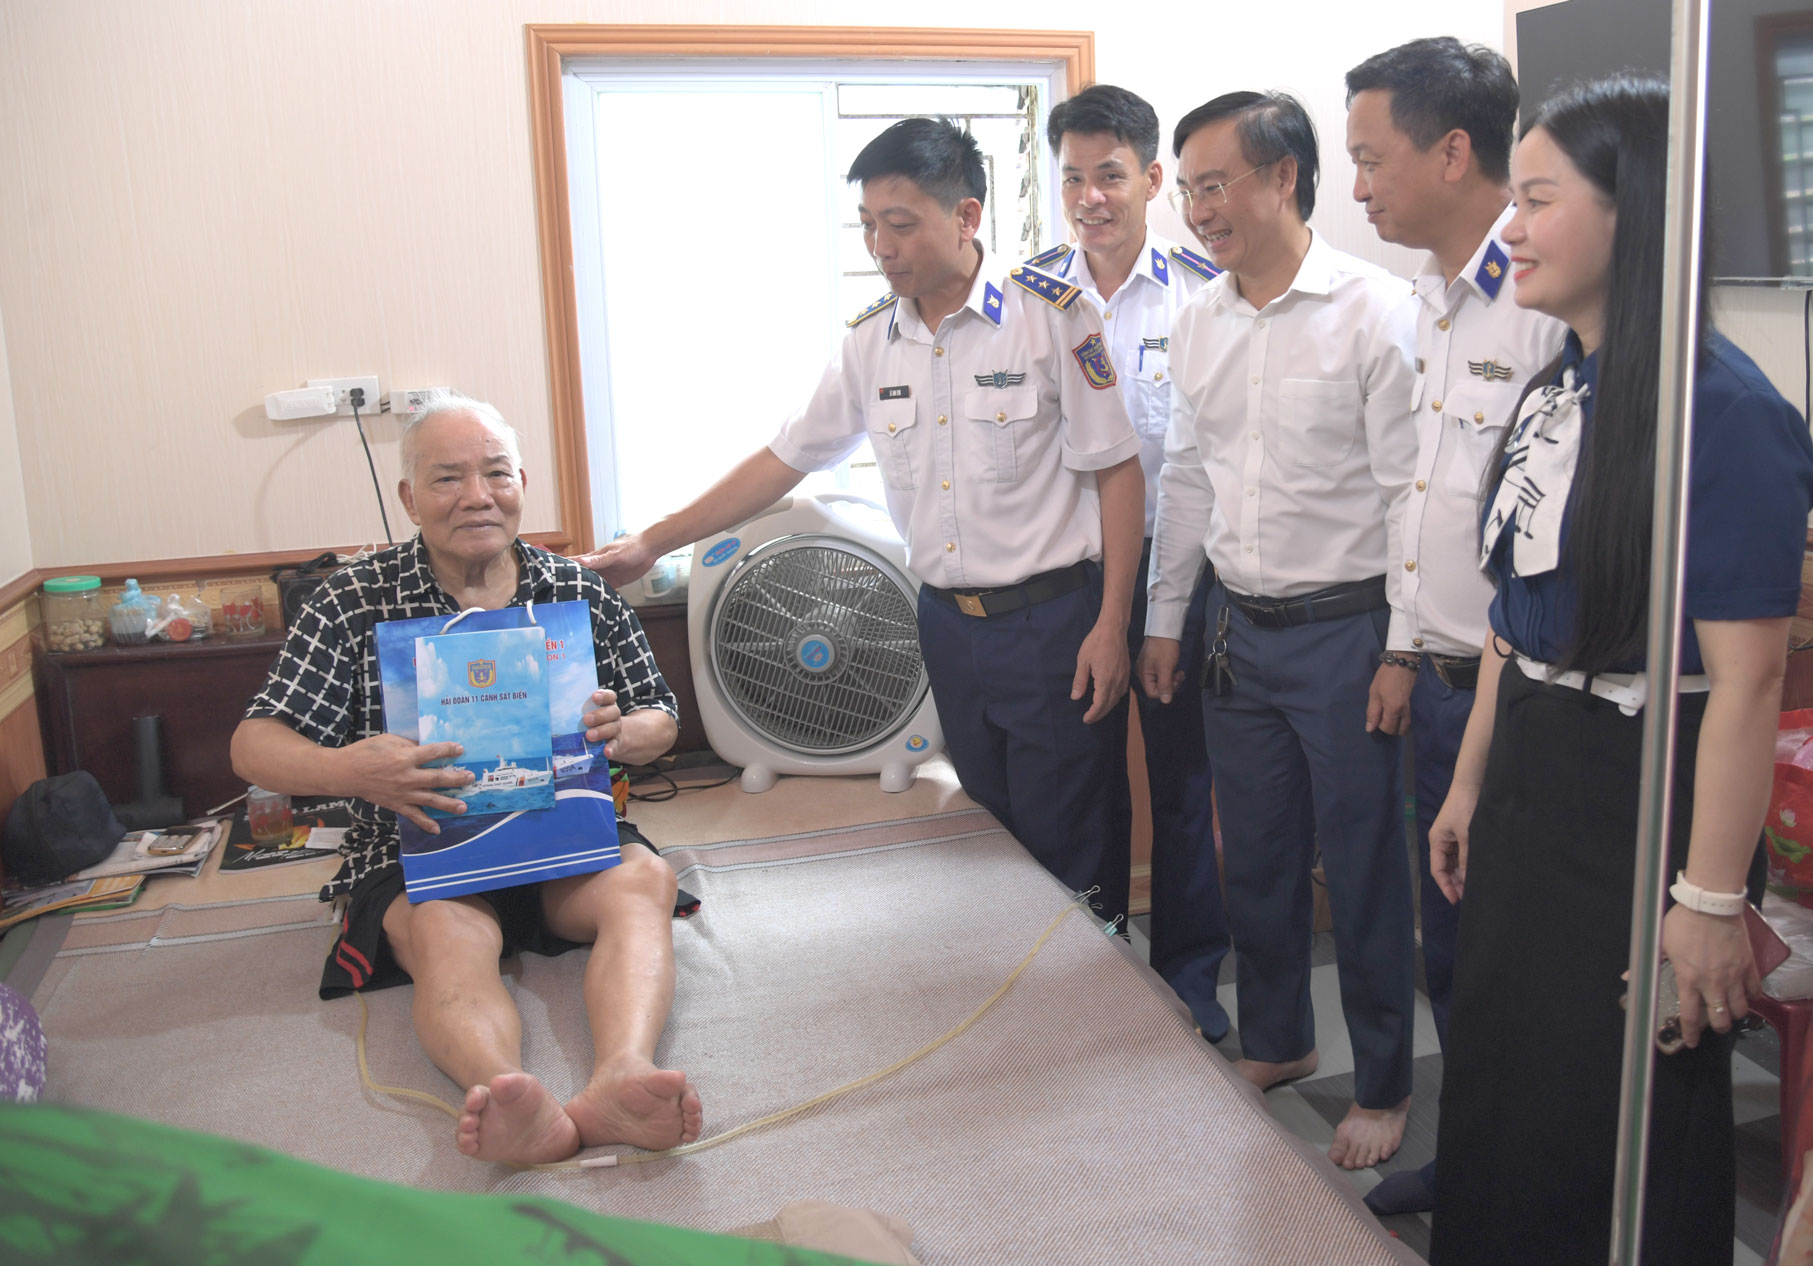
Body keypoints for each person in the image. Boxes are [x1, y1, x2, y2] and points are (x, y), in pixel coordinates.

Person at [1426, 76, 1813, 1266]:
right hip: (1529, 762)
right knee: (1501, 1063)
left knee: (1610, 1101)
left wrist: (1707, 903)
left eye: (1537, 199)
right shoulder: (1557, 383)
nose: (1510, 226)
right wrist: (1468, 784)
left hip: (1639, 788)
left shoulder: (1724, 414)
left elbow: (1746, 685)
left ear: (1633, 208)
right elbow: (1512, 617)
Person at [580, 118, 1145, 929]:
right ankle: (1023, 987)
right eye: (869, 225)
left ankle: (1102, 993)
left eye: (901, 224)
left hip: (1053, 623)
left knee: (1073, 834)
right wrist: (651, 542)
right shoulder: (871, 341)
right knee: (993, 831)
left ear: (967, 216)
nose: (882, 246)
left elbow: (1118, 472)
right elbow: (784, 459)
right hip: (947, 626)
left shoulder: (1053, 317)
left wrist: (1112, 624)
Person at [231, 392, 701, 1167]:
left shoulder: (578, 589)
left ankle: (623, 1075)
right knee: (449, 933)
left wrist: (625, 732)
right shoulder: (350, 599)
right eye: (448, 478)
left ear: (522, 483)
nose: (477, 496)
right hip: (419, 844)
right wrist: (349, 767)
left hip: (562, 831)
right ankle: (509, 1093)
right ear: (409, 497)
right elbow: (253, 744)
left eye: (495, 473)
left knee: (644, 880)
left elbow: (663, 717)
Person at [1138, 90, 1420, 1170]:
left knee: (1361, 864)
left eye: (1215, 184)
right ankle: (1278, 1039)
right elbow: (1186, 474)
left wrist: (1402, 647)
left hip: (1348, 632)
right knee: (1252, 856)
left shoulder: (1375, 310)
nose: (1198, 209)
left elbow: (1407, 495)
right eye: (1189, 188)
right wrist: (1166, 618)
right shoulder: (1199, 317)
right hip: (1233, 631)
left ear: (1285, 178)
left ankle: (1385, 1080)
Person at [1341, 37, 1565, 1216]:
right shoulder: (1427, 301)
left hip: (1516, 693)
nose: (1358, 188)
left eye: (1372, 160)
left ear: (1452, 151)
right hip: (1432, 678)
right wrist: (1398, 641)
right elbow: (1413, 493)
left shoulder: (1539, 303)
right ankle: (1472, 1154)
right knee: (1452, 946)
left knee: (1518, 957)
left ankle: (1523, 1179)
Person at [1031, 83, 1233, 1040]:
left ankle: (1189, 978)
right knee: (1084, 783)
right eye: (1073, 177)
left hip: (1181, 568)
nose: (1090, 197)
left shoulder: (1205, 290)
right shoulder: (1033, 298)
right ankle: (1095, 969)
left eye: (1109, 175)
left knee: (1184, 783)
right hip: (1070, 574)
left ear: (1152, 179)